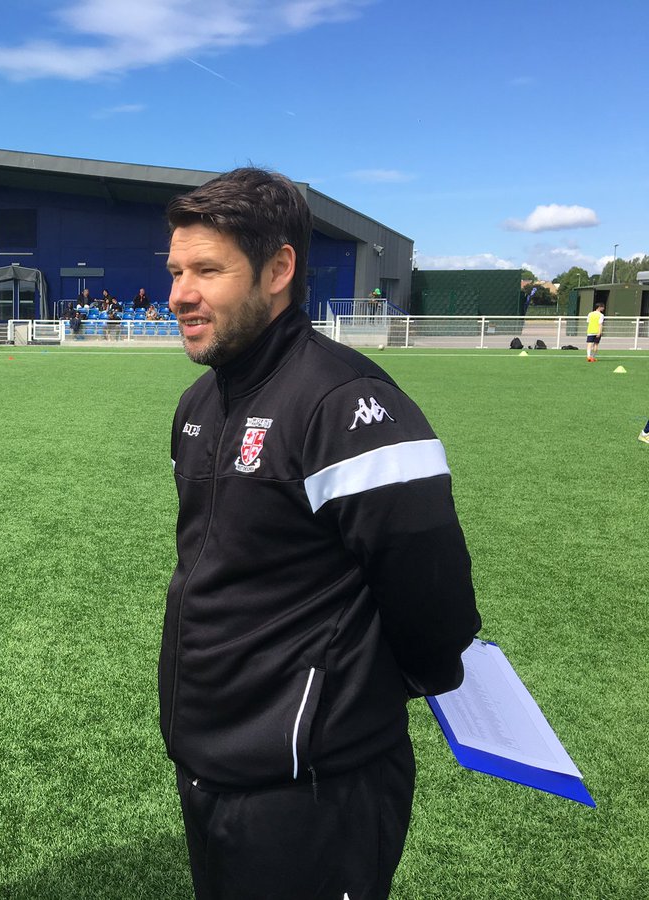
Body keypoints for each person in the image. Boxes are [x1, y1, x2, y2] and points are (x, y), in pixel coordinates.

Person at [159, 167, 480, 900]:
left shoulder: (348, 403)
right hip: (210, 768)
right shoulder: (199, 402)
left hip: (315, 788)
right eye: (177, 270)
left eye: (208, 269)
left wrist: (345, 700)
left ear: (279, 270)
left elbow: (433, 598)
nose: (180, 293)